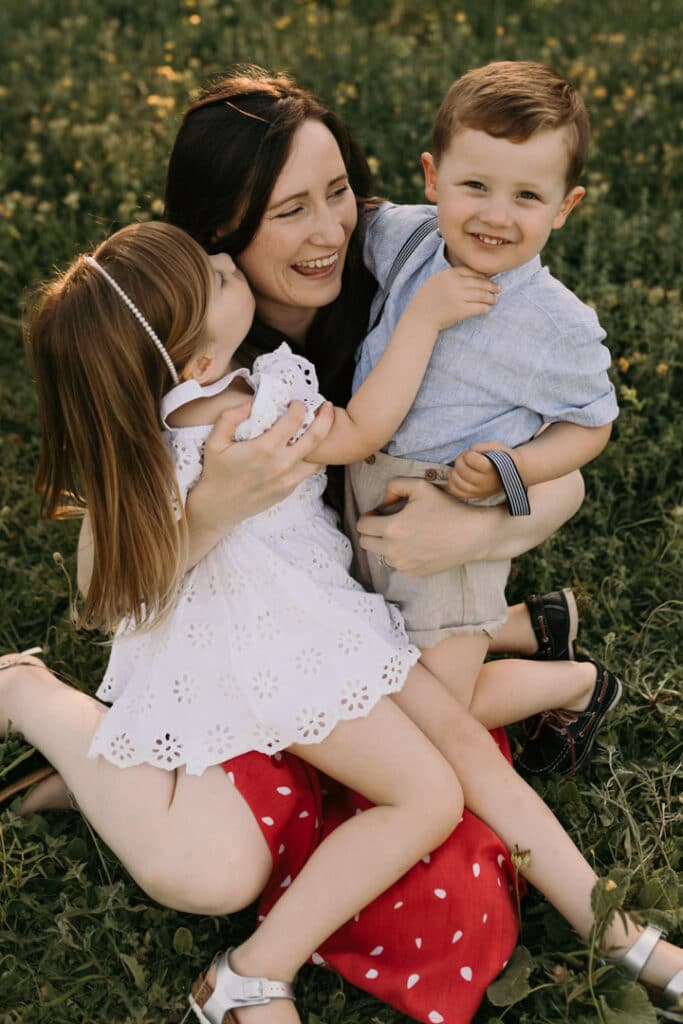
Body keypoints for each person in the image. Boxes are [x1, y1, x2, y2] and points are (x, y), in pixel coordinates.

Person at [7, 68, 679, 1024]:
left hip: (353, 623)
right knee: (371, 836)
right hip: (273, 654)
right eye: (290, 210)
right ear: (219, 234)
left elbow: (564, 464)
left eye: (341, 195)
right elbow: (106, 586)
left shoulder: (409, 253)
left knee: (452, 817)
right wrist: (208, 512)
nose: (332, 232)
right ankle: (241, 954)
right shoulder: (174, 336)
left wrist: (483, 515)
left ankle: (619, 937)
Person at [348, 61, 622, 777]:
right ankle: (533, 627)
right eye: (474, 186)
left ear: (564, 207)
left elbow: (591, 426)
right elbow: (352, 222)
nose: (495, 216)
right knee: (373, 646)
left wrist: (514, 467)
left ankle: (577, 684)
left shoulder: (555, 325)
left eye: (526, 196)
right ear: (432, 178)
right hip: (361, 479)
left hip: (447, 496)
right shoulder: (404, 240)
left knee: (427, 708)